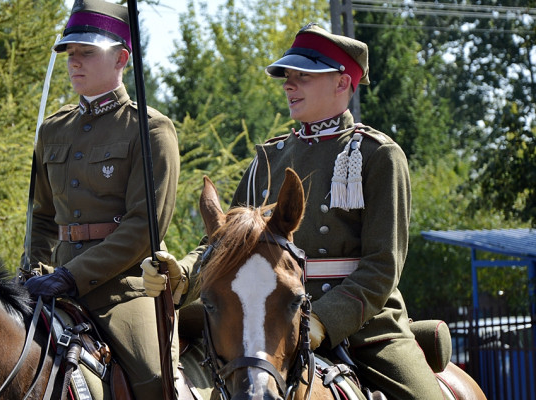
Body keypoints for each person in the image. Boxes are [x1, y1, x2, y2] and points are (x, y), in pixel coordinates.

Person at [141, 23, 444, 399]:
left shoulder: (377, 155)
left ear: (342, 82)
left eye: (304, 76)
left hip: (358, 321)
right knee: (152, 349)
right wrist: (182, 275)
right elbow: (222, 244)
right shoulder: (269, 156)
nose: (289, 85)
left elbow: (383, 266)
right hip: (262, 314)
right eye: (287, 76)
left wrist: (323, 320)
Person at [22, 0, 181, 398]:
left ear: (121, 58)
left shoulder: (151, 129)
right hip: (51, 285)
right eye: (70, 54)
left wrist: (71, 276)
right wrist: (36, 267)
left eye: (87, 53)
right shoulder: (52, 130)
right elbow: (41, 217)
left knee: (155, 379)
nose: (74, 62)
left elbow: (143, 229)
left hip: (123, 289)